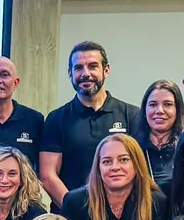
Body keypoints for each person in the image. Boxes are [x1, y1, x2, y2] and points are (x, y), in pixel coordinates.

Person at [40, 41, 141, 207]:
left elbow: (138, 169)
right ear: (70, 73)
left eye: (93, 66)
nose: (85, 74)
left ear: (106, 70)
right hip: (73, 219)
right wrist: (75, 209)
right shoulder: (56, 119)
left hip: (121, 214)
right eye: (78, 68)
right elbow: (48, 175)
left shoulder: (132, 115)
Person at [134, 80, 184, 192]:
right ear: (144, 110)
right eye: (153, 104)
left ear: (177, 110)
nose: (159, 111)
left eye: (167, 104)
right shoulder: (133, 148)